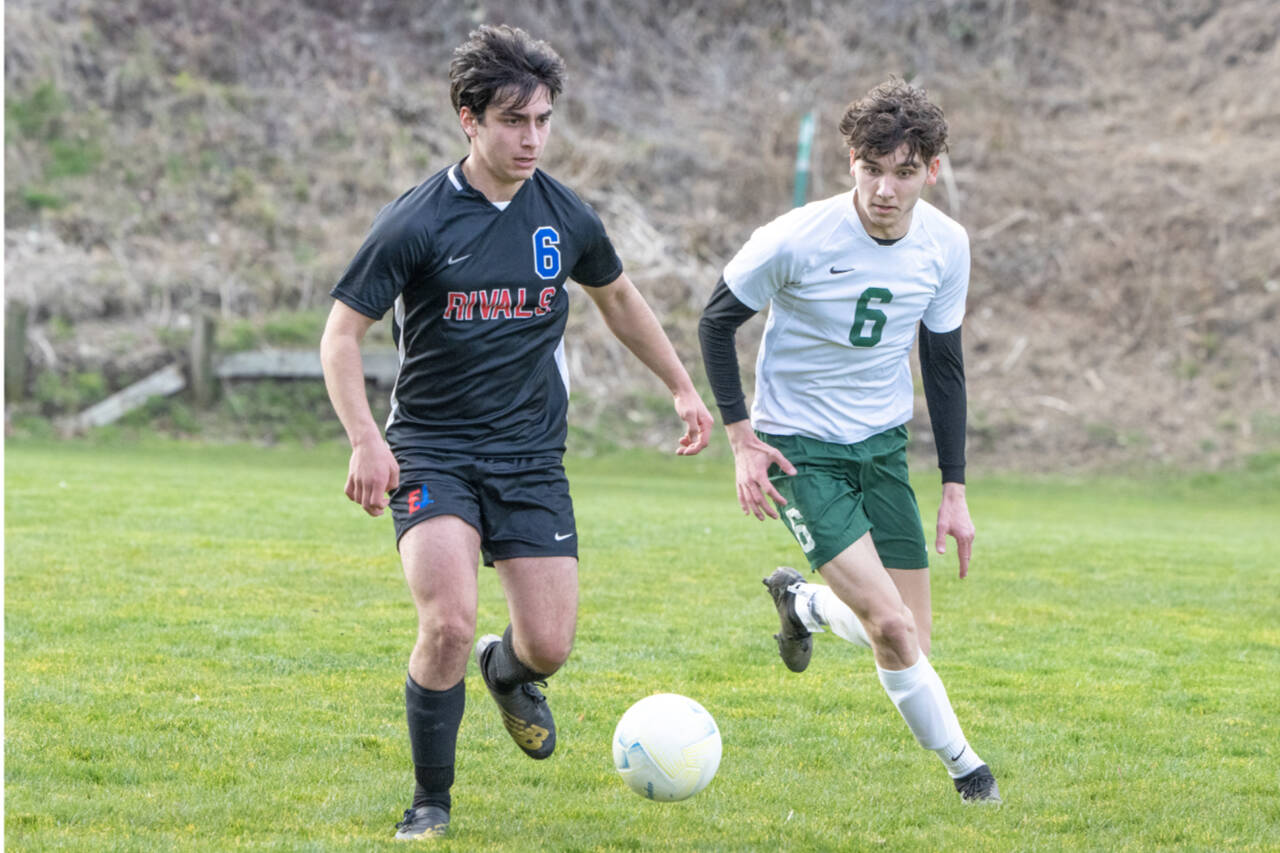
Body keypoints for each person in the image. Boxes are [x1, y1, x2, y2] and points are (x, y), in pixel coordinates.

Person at [320, 24, 714, 840]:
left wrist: (681, 385)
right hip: (432, 448)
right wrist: (366, 438)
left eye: (542, 119)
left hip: (531, 456)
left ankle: (509, 674)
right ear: (470, 119)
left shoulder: (564, 214)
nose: (531, 137)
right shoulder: (418, 222)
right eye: (513, 120)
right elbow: (341, 334)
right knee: (448, 622)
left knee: (550, 644)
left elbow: (619, 301)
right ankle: (431, 800)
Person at [697, 77, 1000, 803]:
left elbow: (945, 364)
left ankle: (801, 605)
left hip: (883, 448)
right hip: (801, 449)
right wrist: (742, 439)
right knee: (891, 625)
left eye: (903, 172)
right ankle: (970, 770)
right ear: (850, 163)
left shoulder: (946, 245)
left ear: (931, 170)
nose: (884, 190)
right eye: (871, 168)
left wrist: (954, 488)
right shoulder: (795, 237)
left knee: (907, 641)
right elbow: (715, 321)